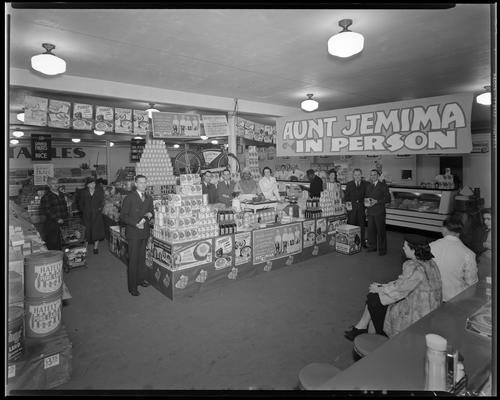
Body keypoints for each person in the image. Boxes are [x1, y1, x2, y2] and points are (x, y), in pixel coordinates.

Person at [344, 234, 442, 340]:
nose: (403, 248)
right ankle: (361, 327)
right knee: (375, 294)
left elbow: (399, 291)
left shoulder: (413, 267)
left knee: (373, 299)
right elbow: (403, 284)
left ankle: (381, 335)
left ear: (413, 250)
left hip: (416, 315)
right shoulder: (430, 263)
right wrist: (381, 287)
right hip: (430, 311)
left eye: (405, 246)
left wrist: (379, 288)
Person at [429, 214, 478, 302]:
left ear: (443, 229)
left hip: (431, 296)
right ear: (460, 232)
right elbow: (472, 283)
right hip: (455, 299)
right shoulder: (468, 253)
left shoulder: (430, 246)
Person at [120, 175, 154, 296]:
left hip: (144, 233)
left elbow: (151, 212)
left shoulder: (149, 198)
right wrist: (135, 224)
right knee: (133, 260)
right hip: (133, 233)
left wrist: (151, 215)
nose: (143, 185)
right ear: (135, 184)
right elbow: (123, 216)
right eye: (140, 183)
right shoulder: (129, 198)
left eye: (145, 182)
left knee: (141, 259)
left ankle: (140, 280)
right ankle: (132, 287)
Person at [365, 169, 391, 256]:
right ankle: (372, 247)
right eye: (371, 175)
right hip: (370, 212)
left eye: (374, 175)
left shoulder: (383, 185)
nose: (373, 176)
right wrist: (366, 206)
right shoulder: (368, 186)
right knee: (371, 231)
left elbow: (388, 199)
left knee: (381, 231)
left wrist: (377, 201)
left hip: (379, 212)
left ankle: (382, 250)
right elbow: (367, 197)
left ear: (378, 176)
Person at [78, 176, 106, 254]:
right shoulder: (83, 192)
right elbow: (80, 203)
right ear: (87, 185)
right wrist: (84, 210)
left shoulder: (99, 191)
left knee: (96, 230)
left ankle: (95, 247)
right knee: (86, 231)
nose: (93, 184)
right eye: (91, 183)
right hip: (86, 215)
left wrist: (100, 209)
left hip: (96, 215)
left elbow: (102, 201)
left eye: (94, 183)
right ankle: (85, 248)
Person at [40, 177, 69, 250]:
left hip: (63, 222)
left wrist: (66, 218)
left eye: (57, 183)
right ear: (49, 185)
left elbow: (64, 207)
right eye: (53, 183)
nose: (55, 185)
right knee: (53, 243)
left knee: (63, 242)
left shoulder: (62, 194)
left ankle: (62, 259)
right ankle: (55, 260)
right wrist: (57, 219)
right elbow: (46, 210)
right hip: (52, 224)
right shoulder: (46, 197)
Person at [344, 168, 368, 248]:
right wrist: (348, 207)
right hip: (352, 210)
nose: (357, 176)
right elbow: (346, 197)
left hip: (361, 209)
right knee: (351, 226)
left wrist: (366, 208)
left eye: (358, 175)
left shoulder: (366, 184)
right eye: (355, 175)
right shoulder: (349, 184)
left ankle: (363, 243)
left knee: (362, 226)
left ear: (361, 175)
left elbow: (367, 196)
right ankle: (351, 243)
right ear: (353, 176)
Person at [469, 208, 492, 280]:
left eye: (488, 219)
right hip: (485, 262)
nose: (485, 222)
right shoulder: (481, 230)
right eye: (484, 219)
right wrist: (484, 244)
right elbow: (473, 246)